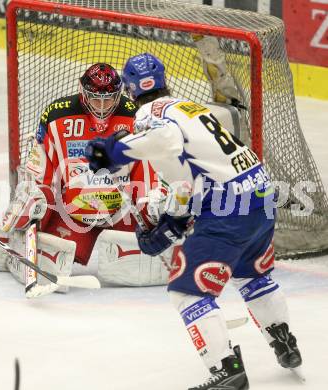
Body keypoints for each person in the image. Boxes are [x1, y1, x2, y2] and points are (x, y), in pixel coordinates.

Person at [85, 53, 302, 390]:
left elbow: (165, 140)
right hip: (260, 194)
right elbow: (188, 181)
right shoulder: (187, 108)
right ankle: (284, 342)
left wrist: (114, 152)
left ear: (129, 89)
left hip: (230, 206)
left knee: (187, 292)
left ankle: (227, 370)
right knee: (251, 275)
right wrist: (170, 226)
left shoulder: (149, 114)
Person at [0, 62, 169, 297]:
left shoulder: (136, 116)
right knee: (36, 200)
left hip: (121, 210)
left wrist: (153, 202)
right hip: (71, 214)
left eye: (109, 99)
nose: (102, 106)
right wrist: (33, 199)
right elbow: (41, 171)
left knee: (155, 208)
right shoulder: (57, 115)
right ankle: (12, 235)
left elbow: (146, 169)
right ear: (83, 91)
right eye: (95, 99)